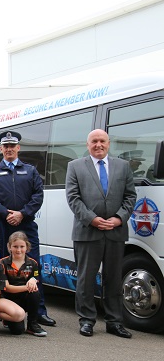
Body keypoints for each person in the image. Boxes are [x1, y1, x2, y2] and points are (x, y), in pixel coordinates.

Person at [65, 129, 136, 338]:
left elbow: (130, 196)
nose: (98, 145)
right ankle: (87, 320)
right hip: (87, 231)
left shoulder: (123, 167)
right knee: (86, 280)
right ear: (87, 145)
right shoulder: (75, 166)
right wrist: (92, 219)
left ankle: (114, 322)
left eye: (102, 141)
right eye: (94, 141)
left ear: (109, 143)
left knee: (113, 279)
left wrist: (119, 218)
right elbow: (73, 198)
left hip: (115, 231)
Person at [0, 131, 55, 327]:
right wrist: (7, 214)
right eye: (5, 146)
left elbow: (38, 196)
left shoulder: (30, 171)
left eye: (12, 146)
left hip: (26, 224)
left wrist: (22, 213)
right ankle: (6, 310)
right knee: (3, 268)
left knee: (33, 266)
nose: (9, 149)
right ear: (1, 149)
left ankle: (38, 312)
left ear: (18, 148)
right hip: (2, 225)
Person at [0, 231, 47, 337]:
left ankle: (32, 324)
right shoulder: (2, 263)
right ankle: (4, 317)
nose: (19, 250)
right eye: (15, 246)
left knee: (35, 292)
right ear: (9, 247)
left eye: (22, 246)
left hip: (25, 298)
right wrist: (27, 287)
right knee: (18, 331)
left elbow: (36, 277)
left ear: (27, 247)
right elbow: (7, 288)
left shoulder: (33, 263)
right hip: (8, 300)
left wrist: (33, 280)